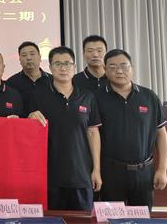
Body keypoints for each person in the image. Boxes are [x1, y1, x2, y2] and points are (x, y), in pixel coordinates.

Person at [28, 46, 102, 211]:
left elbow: (93, 133)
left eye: (67, 63)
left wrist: (96, 169)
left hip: (81, 175)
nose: (63, 68)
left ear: (74, 67)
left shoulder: (87, 96)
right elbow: (28, 132)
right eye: (58, 64)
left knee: (82, 220)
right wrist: (30, 117)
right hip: (50, 176)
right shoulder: (39, 95)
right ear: (50, 67)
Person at [96, 49, 167, 209]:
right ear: (105, 70)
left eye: (124, 66)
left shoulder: (149, 97)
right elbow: (93, 135)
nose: (119, 71)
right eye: (113, 67)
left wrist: (162, 169)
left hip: (144, 171)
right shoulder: (97, 98)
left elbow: (161, 134)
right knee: (112, 217)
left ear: (132, 67)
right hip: (111, 172)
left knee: (143, 217)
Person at [6, 41, 51, 116]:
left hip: (49, 123)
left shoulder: (53, 81)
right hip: (23, 123)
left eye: (32, 54)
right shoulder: (11, 83)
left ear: (40, 57)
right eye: (24, 55)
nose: (28, 58)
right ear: (20, 60)